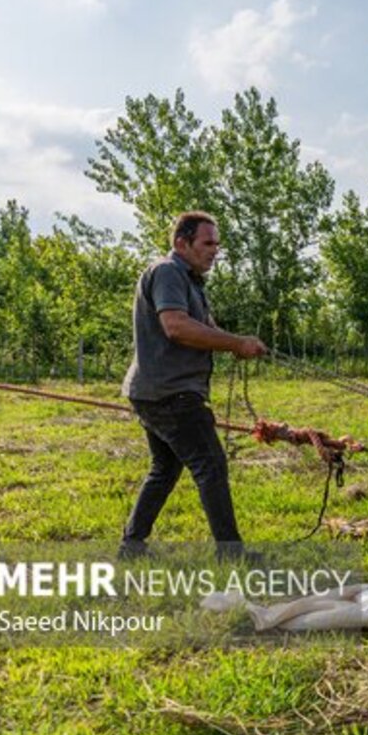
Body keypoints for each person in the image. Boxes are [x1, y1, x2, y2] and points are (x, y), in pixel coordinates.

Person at [119, 211, 267, 557]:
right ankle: (232, 555)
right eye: (208, 243)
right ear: (181, 243)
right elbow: (176, 326)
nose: (215, 250)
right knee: (211, 466)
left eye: (217, 244)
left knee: (165, 468)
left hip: (154, 390)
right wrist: (235, 343)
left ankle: (132, 546)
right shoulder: (168, 272)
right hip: (172, 393)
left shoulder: (190, 281)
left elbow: (206, 328)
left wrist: (242, 344)